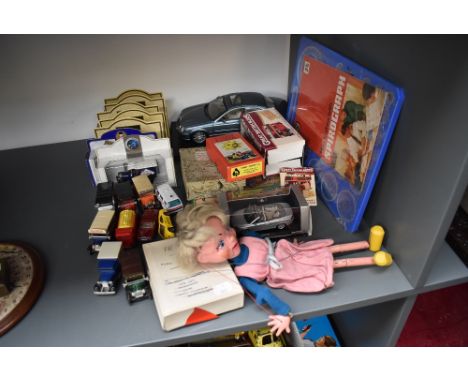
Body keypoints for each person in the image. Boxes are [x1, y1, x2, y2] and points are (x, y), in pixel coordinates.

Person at [176, 203, 390, 336]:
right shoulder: (244, 274)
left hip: (286, 250)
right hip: (284, 269)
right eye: (220, 244)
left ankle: (366, 245)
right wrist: (284, 313)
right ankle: (374, 259)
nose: (231, 237)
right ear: (205, 259)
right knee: (326, 263)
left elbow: (263, 240)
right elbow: (263, 294)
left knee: (326, 248)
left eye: (227, 230)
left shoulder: (244, 237)